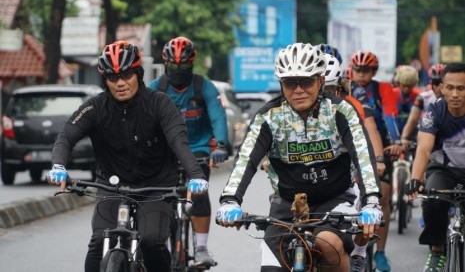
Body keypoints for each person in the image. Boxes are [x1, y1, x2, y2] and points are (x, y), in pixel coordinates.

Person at [216, 42, 383, 272]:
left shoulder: (341, 111)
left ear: (321, 81)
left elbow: (363, 157)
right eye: (289, 82)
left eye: (306, 81)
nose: (298, 89)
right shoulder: (269, 117)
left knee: (329, 244)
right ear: (281, 84)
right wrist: (230, 199)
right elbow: (246, 159)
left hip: (334, 201)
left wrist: (372, 201)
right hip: (287, 205)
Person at [47, 40, 209, 272]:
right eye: (113, 78)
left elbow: (178, 142)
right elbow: (66, 137)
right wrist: (58, 165)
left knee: (151, 242)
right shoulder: (94, 107)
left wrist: (195, 175)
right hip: (111, 186)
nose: (120, 83)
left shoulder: (159, 103)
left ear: (139, 74)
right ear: (105, 81)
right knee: (97, 245)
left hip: (156, 188)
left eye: (127, 75)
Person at [148, 36, 228, 266]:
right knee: (159, 198)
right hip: (166, 153)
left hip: (198, 151)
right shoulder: (156, 89)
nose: (178, 71)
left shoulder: (204, 86)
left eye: (184, 66)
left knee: (200, 194)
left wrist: (221, 144)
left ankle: (201, 248)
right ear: (166, 65)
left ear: (192, 65)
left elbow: (217, 114)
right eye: (174, 66)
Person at [322, 52, 387, 271]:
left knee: (363, 201)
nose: (323, 96)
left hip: (350, 165)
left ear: (338, 86)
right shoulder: (296, 108)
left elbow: (370, 129)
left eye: (329, 90)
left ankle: (359, 253)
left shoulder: (350, 106)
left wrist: (377, 159)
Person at [407, 62, 465, 272]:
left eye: (462, 88)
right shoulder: (435, 111)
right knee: (433, 200)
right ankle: (437, 249)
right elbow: (423, 148)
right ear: (441, 87)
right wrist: (415, 178)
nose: (455, 93)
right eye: (450, 87)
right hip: (443, 170)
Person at [349, 50, 403, 272]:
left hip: (380, 145)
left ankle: (380, 252)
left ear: (374, 72)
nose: (361, 75)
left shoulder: (383, 89)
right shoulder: (346, 87)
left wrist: (397, 141)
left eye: (367, 71)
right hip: (352, 146)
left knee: (384, 194)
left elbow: (390, 116)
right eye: (358, 70)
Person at [401, 64, 445, 150]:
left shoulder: (455, 98)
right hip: (426, 137)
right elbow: (413, 120)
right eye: (436, 83)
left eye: (442, 83)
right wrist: (404, 138)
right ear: (431, 83)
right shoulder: (423, 97)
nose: (439, 88)